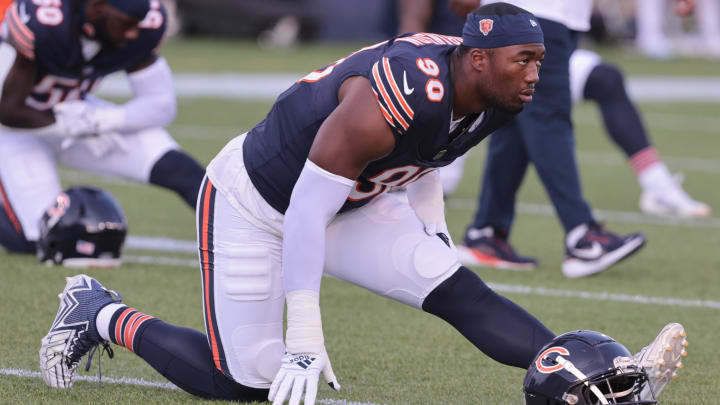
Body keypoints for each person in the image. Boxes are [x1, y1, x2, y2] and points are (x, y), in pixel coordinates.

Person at [39, 4, 686, 404]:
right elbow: (303, 214)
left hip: (359, 199)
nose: (535, 74)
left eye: (540, 60)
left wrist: (432, 229)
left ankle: (594, 373)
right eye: (524, 60)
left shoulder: (487, 92)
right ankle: (99, 312)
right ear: (480, 60)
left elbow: (435, 154)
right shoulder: (391, 99)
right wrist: (305, 338)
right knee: (246, 381)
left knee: (458, 288)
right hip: (258, 204)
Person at [450, 0, 695, 278]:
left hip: (538, 16)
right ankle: (582, 236)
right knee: (548, 118)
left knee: (516, 123)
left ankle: (486, 232)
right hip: (539, 15)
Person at [0, 0, 205, 257]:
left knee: (178, 168)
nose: (133, 32)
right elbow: (6, 110)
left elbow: (161, 104)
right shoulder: (43, 21)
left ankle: (240, 231)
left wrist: (105, 120)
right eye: (126, 23)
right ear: (97, 7)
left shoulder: (145, 22)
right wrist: (69, 125)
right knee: (41, 240)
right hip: (16, 130)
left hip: (77, 113)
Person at [441, 48, 712, 219]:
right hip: (510, 46)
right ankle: (578, 230)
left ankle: (657, 184)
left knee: (604, 80)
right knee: (521, 116)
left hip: (548, 41)